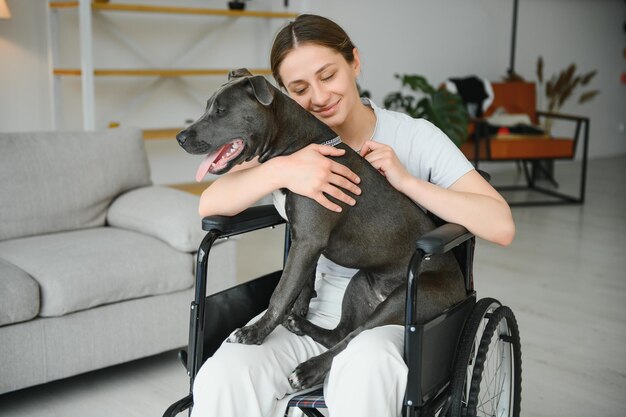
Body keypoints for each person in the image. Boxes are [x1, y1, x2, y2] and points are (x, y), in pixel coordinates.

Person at [190, 14, 515, 417]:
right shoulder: (277, 142)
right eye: (299, 88)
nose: (319, 95)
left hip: (404, 307)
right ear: (278, 96)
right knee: (226, 375)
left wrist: (408, 182)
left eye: (328, 75)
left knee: (365, 368)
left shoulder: (414, 136)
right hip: (319, 307)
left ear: (354, 62)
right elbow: (209, 205)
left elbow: (501, 226)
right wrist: (283, 170)